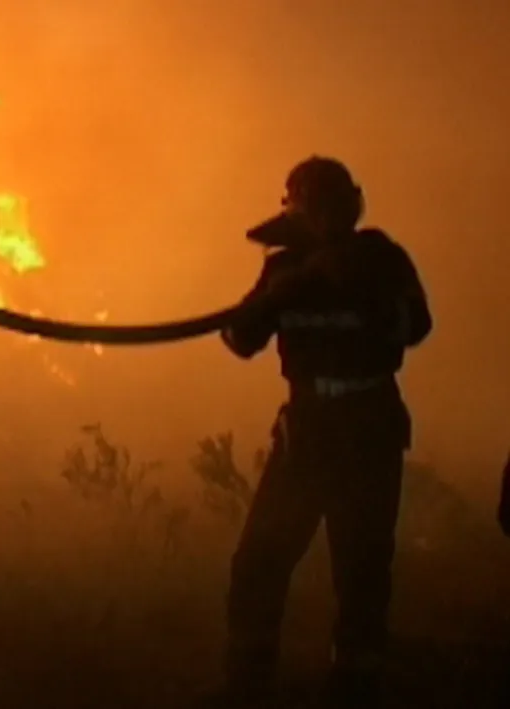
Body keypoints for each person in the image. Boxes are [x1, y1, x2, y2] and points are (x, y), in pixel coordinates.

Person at [202, 156, 432, 707]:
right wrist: (277, 296)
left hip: (368, 430)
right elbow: (240, 341)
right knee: (260, 559)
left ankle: (356, 685)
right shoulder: (284, 269)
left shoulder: (381, 260)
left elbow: (416, 326)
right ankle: (248, 686)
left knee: (361, 567)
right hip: (306, 433)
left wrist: (357, 287)